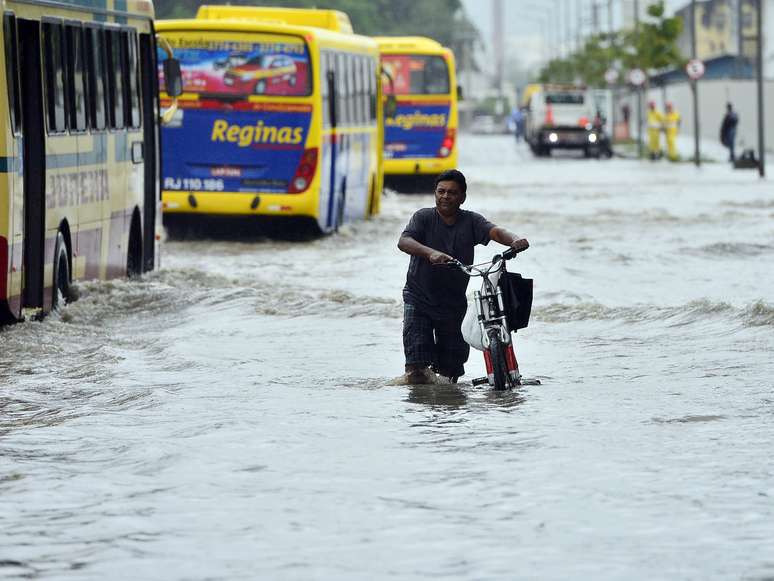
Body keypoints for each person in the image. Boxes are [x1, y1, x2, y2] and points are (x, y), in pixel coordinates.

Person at [397, 169, 529, 384]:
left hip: (453, 302)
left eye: (452, 193)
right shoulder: (423, 217)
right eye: (441, 192)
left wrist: (515, 239)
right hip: (418, 298)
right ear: (435, 194)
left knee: (451, 373)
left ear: (462, 197)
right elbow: (404, 242)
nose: (445, 196)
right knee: (416, 369)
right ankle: (420, 408)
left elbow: (495, 232)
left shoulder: (471, 221)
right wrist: (430, 253)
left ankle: (448, 408)